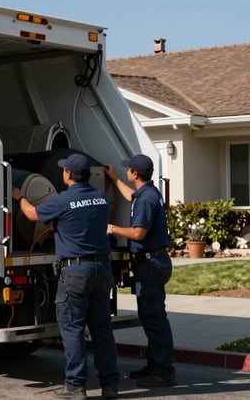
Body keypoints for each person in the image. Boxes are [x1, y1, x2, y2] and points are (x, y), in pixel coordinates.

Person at [14, 153, 119, 399]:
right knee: (102, 331)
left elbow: (32, 214)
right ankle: (110, 385)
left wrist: (19, 197)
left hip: (75, 273)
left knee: (72, 330)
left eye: (64, 170)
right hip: (102, 270)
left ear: (68, 174)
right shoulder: (100, 198)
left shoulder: (62, 201)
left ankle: (75, 386)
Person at [105, 154, 176, 388]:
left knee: (155, 319)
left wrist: (112, 228)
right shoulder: (147, 193)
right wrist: (114, 178)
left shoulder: (146, 199)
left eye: (128, 170)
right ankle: (155, 365)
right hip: (151, 262)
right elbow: (130, 195)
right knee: (151, 318)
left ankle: (164, 371)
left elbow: (138, 234)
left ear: (135, 173)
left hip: (151, 264)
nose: (127, 171)